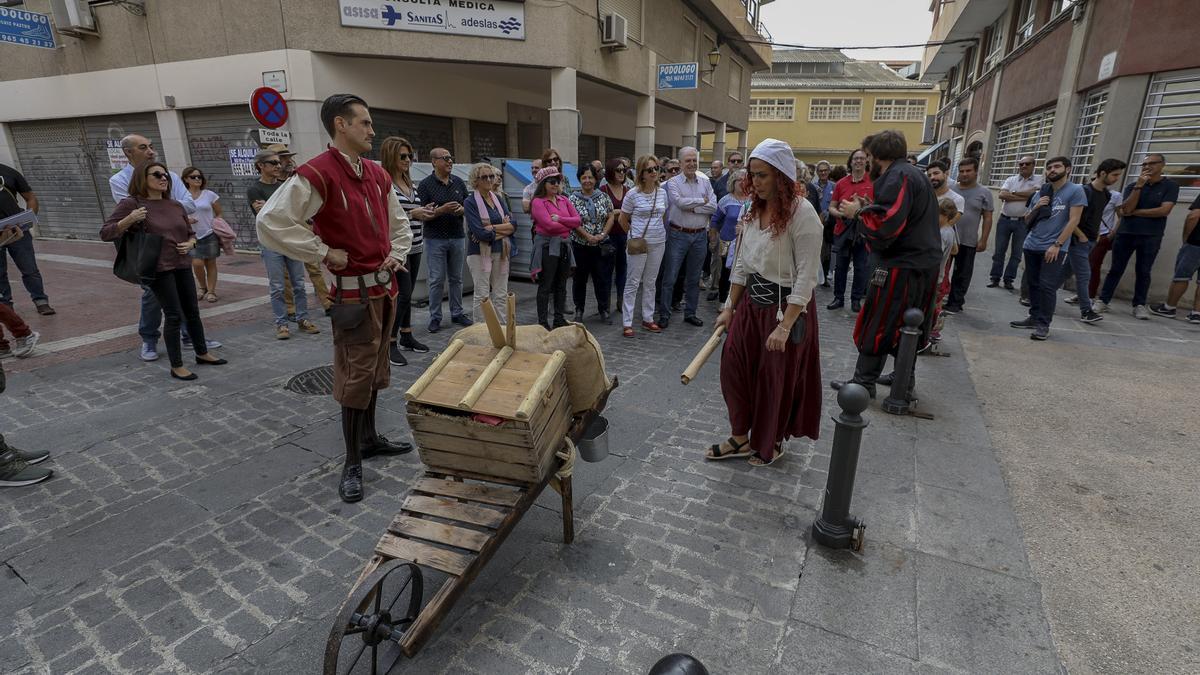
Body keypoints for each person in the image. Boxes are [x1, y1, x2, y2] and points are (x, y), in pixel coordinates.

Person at [256, 93, 414, 503]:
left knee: (376, 371)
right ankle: (351, 460)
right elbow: (270, 221)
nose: (371, 130)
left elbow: (399, 224)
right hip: (352, 297)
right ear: (340, 125)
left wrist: (396, 255)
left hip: (384, 290)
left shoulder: (377, 175)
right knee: (355, 376)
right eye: (364, 122)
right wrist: (323, 252)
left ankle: (370, 439)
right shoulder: (317, 173)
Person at [708, 138, 822, 467]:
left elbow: (806, 277)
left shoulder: (804, 215)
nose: (754, 182)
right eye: (752, 175)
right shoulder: (753, 208)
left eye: (762, 176)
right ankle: (741, 435)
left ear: (781, 177)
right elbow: (743, 262)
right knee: (734, 367)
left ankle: (769, 440)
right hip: (750, 306)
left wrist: (785, 326)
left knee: (773, 379)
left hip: (784, 308)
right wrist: (730, 306)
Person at [829, 130, 941, 399]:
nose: (866, 163)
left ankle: (863, 382)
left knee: (879, 322)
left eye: (867, 156)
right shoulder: (911, 175)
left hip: (901, 266)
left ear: (876, 155)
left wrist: (857, 213)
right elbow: (897, 214)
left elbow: (887, 227)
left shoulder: (898, 176)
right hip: (917, 264)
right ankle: (904, 379)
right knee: (906, 323)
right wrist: (870, 207)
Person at [101, 161, 228, 380]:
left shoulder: (175, 205)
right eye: (157, 175)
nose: (163, 178)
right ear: (142, 179)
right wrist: (129, 219)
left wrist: (191, 244)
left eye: (166, 175)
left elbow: (190, 233)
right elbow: (106, 232)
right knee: (173, 315)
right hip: (158, 267)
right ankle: (176, 365)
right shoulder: (132, 203)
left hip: (181, 263)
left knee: (192, 312)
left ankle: (202, 353)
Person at [109, 134, 215, 361]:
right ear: (129, 152)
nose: (150, 150)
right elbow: (126, 217)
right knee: (154, 296)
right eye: (143, 147)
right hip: (150, 252)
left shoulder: (171, 181)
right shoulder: (120, 182)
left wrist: (169, 211)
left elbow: (188, 204)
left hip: (177, 250)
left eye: (151, 146)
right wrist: (140, 215)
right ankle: (149, 339)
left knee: (187, 301)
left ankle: (193, 340)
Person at [1009, 156, 1087, 341]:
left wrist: (1057, 244)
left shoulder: (1076, 190)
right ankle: (1034, 317)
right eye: (1049, 167)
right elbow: (1027, 220)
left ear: (1067, 169)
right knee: (1033, 284)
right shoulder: (1041, 192)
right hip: (1032, 245)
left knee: (1047, 286)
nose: (1052, 170)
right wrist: (1036, 206)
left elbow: (1074, 220)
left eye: (1057, 167)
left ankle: (1043, 324)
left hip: (1053, 247)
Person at [1096, 153, 1179, 319]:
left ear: (1162, 165)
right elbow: (1126, 211)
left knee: (1144, 271)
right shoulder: (1133, 185)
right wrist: (1139, 187)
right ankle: (1103, 301)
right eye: (1144, 164)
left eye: (1152, 163)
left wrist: (1137, 212)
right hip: (1126, 233)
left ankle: (1139, 305)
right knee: (1116, 269)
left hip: (1151, 235)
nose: (1147, 167)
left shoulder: (1170, 186)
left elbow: (1164, 211)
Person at [250, 151, 320, 340]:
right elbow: (264, 219)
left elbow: (294, 213)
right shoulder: (255, 189)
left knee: (299, 283)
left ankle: (303, 319)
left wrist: (271, 209)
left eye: (278, 162)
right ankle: (281, 324)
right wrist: (274, 211)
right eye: (272, 163)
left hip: (291, 240)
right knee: (277, 286)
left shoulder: (284, 187)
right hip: (270, 243)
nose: (278, 166)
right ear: (261, 166)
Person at [380, 137, 432, 367]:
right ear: (391, 156)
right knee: (402, 294)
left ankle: (407, 335)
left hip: (417, 244)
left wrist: (426, 211)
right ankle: (389, 343)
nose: (408, 160)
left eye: (410, 156)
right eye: (402, 156)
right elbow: (385, 219)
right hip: (398, 249)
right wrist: (414, 214)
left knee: (407, 295)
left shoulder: (409, 182)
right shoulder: (385, 184)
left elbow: (411, 209)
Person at [268, 143, 334, 315]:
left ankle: (327, 303)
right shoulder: (270, 184)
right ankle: (291, 309)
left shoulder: (296, 179)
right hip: (284, 230)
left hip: (304, 225)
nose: (289, 161)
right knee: (286, 274)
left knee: (314, 266)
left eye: (289, 157)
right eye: (283, 158)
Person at [1063, 159, 1126, 323]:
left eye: (1119, 175)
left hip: (1092, 239)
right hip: (1079, 240)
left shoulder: (1106, 194)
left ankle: (1041, 297)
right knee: (1084, 275)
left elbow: (1097, 216)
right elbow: (1069, 217)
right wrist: (1080, 235)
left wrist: (1096, 234)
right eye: (1114, 175)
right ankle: (1086, 311)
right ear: (1103, 173)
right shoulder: (1084, 191)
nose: (1117, 178)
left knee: (1062, 273)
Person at [660, 147, 717, 329]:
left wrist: (694, 206)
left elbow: (714, 206)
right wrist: (703, 201)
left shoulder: (705, 181)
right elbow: (679, 202)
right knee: (670, 277)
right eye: (688, 161)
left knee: (694, 278)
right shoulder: (673, 183)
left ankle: (690, 313)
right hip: (678, 234)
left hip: (700, 235)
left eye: (694, 160)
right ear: (681, 163)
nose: (692, 164)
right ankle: (664, 314)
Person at [417, 147, 471, 332]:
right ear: (434, 162)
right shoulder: (425, 185)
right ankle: (435, 317)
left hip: (457, 237)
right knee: (436, 280)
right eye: (445, 158)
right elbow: (422, 214)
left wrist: (461, 210)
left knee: (456, 278)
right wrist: (442, 210)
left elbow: (468, 206)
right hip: (435, 239)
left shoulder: (459, 182)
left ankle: (457, 312)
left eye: (451, 158)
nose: (450, 161)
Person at [620, 156, 669, 337]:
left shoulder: (663, 192)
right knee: (633, 282)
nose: (654, 172)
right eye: (650, 169)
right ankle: (627, 321)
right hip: (639, 243)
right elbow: (622, 218)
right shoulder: (632, 194)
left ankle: (648, 318)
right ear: (642, 173)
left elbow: (663, 216)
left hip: (658, 241)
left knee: (650, 281)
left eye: (656, 168)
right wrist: (633, 235)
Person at [463, 163, 516, 323]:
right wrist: (503, 229)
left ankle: (502, 329)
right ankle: (480, 331)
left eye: (491, 176)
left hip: (501, 252)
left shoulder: (498, 199)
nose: (488, 179)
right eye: (484, 177)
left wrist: (491, 228)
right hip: (479, 254)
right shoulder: (470, 202)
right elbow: (479, 233)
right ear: (475, 181)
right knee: (482, 295)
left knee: (501, 294)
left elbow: (514, 226)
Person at [0, 163, 53, 315]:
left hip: (17, 230)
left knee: (29, 268)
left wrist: (29, 218)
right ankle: (6, 307)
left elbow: (30, 197)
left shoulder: (8, 172)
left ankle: (41, 301)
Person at [530, 166, 579, 329]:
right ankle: (542, 322)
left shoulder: (564, 200)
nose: (555, 184)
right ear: (543, 183)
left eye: (557, 181)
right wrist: (567, 224)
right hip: (547, 248)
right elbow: (549, 226)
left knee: (561, 284)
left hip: (564, 246)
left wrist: (560, 219)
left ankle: (558, 318)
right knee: (546, 284)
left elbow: (578, 220)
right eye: (551, 181)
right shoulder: (537, 202)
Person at [944, 157, 993, 314]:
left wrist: (983, 240)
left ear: (976, 172)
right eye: (962, 171)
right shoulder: (950, 189)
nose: (964, 174)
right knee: (943, 270)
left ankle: (955, 303)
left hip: (967, 240)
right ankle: (941, 296)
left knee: (962, 273)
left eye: (968, 171)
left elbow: (987, 217)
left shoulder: (984, 193)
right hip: (947, 239)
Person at [568, 164, 616, 324]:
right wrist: (587, 236)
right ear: (579, 180)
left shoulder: (603, 196)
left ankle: (603, 309)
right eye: (584, 178)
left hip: (601, 245)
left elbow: (610, 216)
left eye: (590, 177)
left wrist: (602, 235)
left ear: (595, 179)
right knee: (579, 280)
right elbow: (573, 222)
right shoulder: (572, 199)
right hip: (580, 245)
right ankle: (579, 309)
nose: (587, 180)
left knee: (601, 278)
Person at [826, 149, 873, 312]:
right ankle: (838, 298)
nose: (859, 161)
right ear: (851, 162)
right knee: (840, 267)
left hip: (863, 232)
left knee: (861, 267)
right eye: (856, 158)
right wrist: (841, 214)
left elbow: (876, 208)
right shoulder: (841, 183)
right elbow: (831, 207)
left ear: (866, 161)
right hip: (843, 230)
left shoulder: (872, 183)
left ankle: (855, 300)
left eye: (862, 158)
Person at [991, 156, 1043, 290]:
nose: (1023, 166)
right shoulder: (1011, 179)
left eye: (1027, 164)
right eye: (1021, 164)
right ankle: (995, 278)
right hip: (1005, 220)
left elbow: (1035, 195)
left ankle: (1009, 280)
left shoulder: (1039, 179)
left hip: (1023, 222)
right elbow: (1002, 195)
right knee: (999, 251)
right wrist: (1024, 196)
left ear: (1033, 165)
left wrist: (1012, 194)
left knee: (1016, 253)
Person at [1149, 193, 1200, 323]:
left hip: (1196, 243)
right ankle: (1196, 313)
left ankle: (1169, 307)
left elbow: (1193, 216)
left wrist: (1186, 238)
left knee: (1182, 276)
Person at [180, 167, 222, 303]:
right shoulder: (181, 196)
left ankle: (211, 291)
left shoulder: (209, 194)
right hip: (191, 235)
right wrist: (187, 220)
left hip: (209, 233)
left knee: (211, 262)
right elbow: (175, 215)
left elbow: (219, 212)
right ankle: (202, 287)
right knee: (197, 263)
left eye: (199, 177)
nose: (197, 179)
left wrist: (216, 223)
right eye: (193, 177)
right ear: (186, 179)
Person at [709, 168, 746, 305]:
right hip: (727, 243)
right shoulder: (726, 200)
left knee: (742, 273)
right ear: (733, 182)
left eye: (745, 180)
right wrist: (713, 238)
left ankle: (738, 302)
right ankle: (723, 301)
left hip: (745, 244)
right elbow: (715, 220)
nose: (743, 183)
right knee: (725, 273)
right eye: (740, 180)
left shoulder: (754, 200)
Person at [928, 198, 961, 345]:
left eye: (937, 215)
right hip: (942, 275)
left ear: (946, 216)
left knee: (931, 305)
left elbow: (936, 255)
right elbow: (955, 250)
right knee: (937, 303)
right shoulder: (950, 230)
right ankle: (934, 330)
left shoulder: (942, 233)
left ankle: (932, 331)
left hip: (935, 275)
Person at [600, 159, 630, 302]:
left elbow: (632, 213)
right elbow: (601, 214)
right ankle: (605, 303)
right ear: (611, 171)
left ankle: (620, 299)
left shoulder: (628, 191)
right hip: (608, 236)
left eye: (623, 170)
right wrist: (618, 212)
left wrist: (616, 212)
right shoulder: (603, 190)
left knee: (622, 269)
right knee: (606, 271)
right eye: (618, 170)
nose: (621, 173)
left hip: (624, 235)